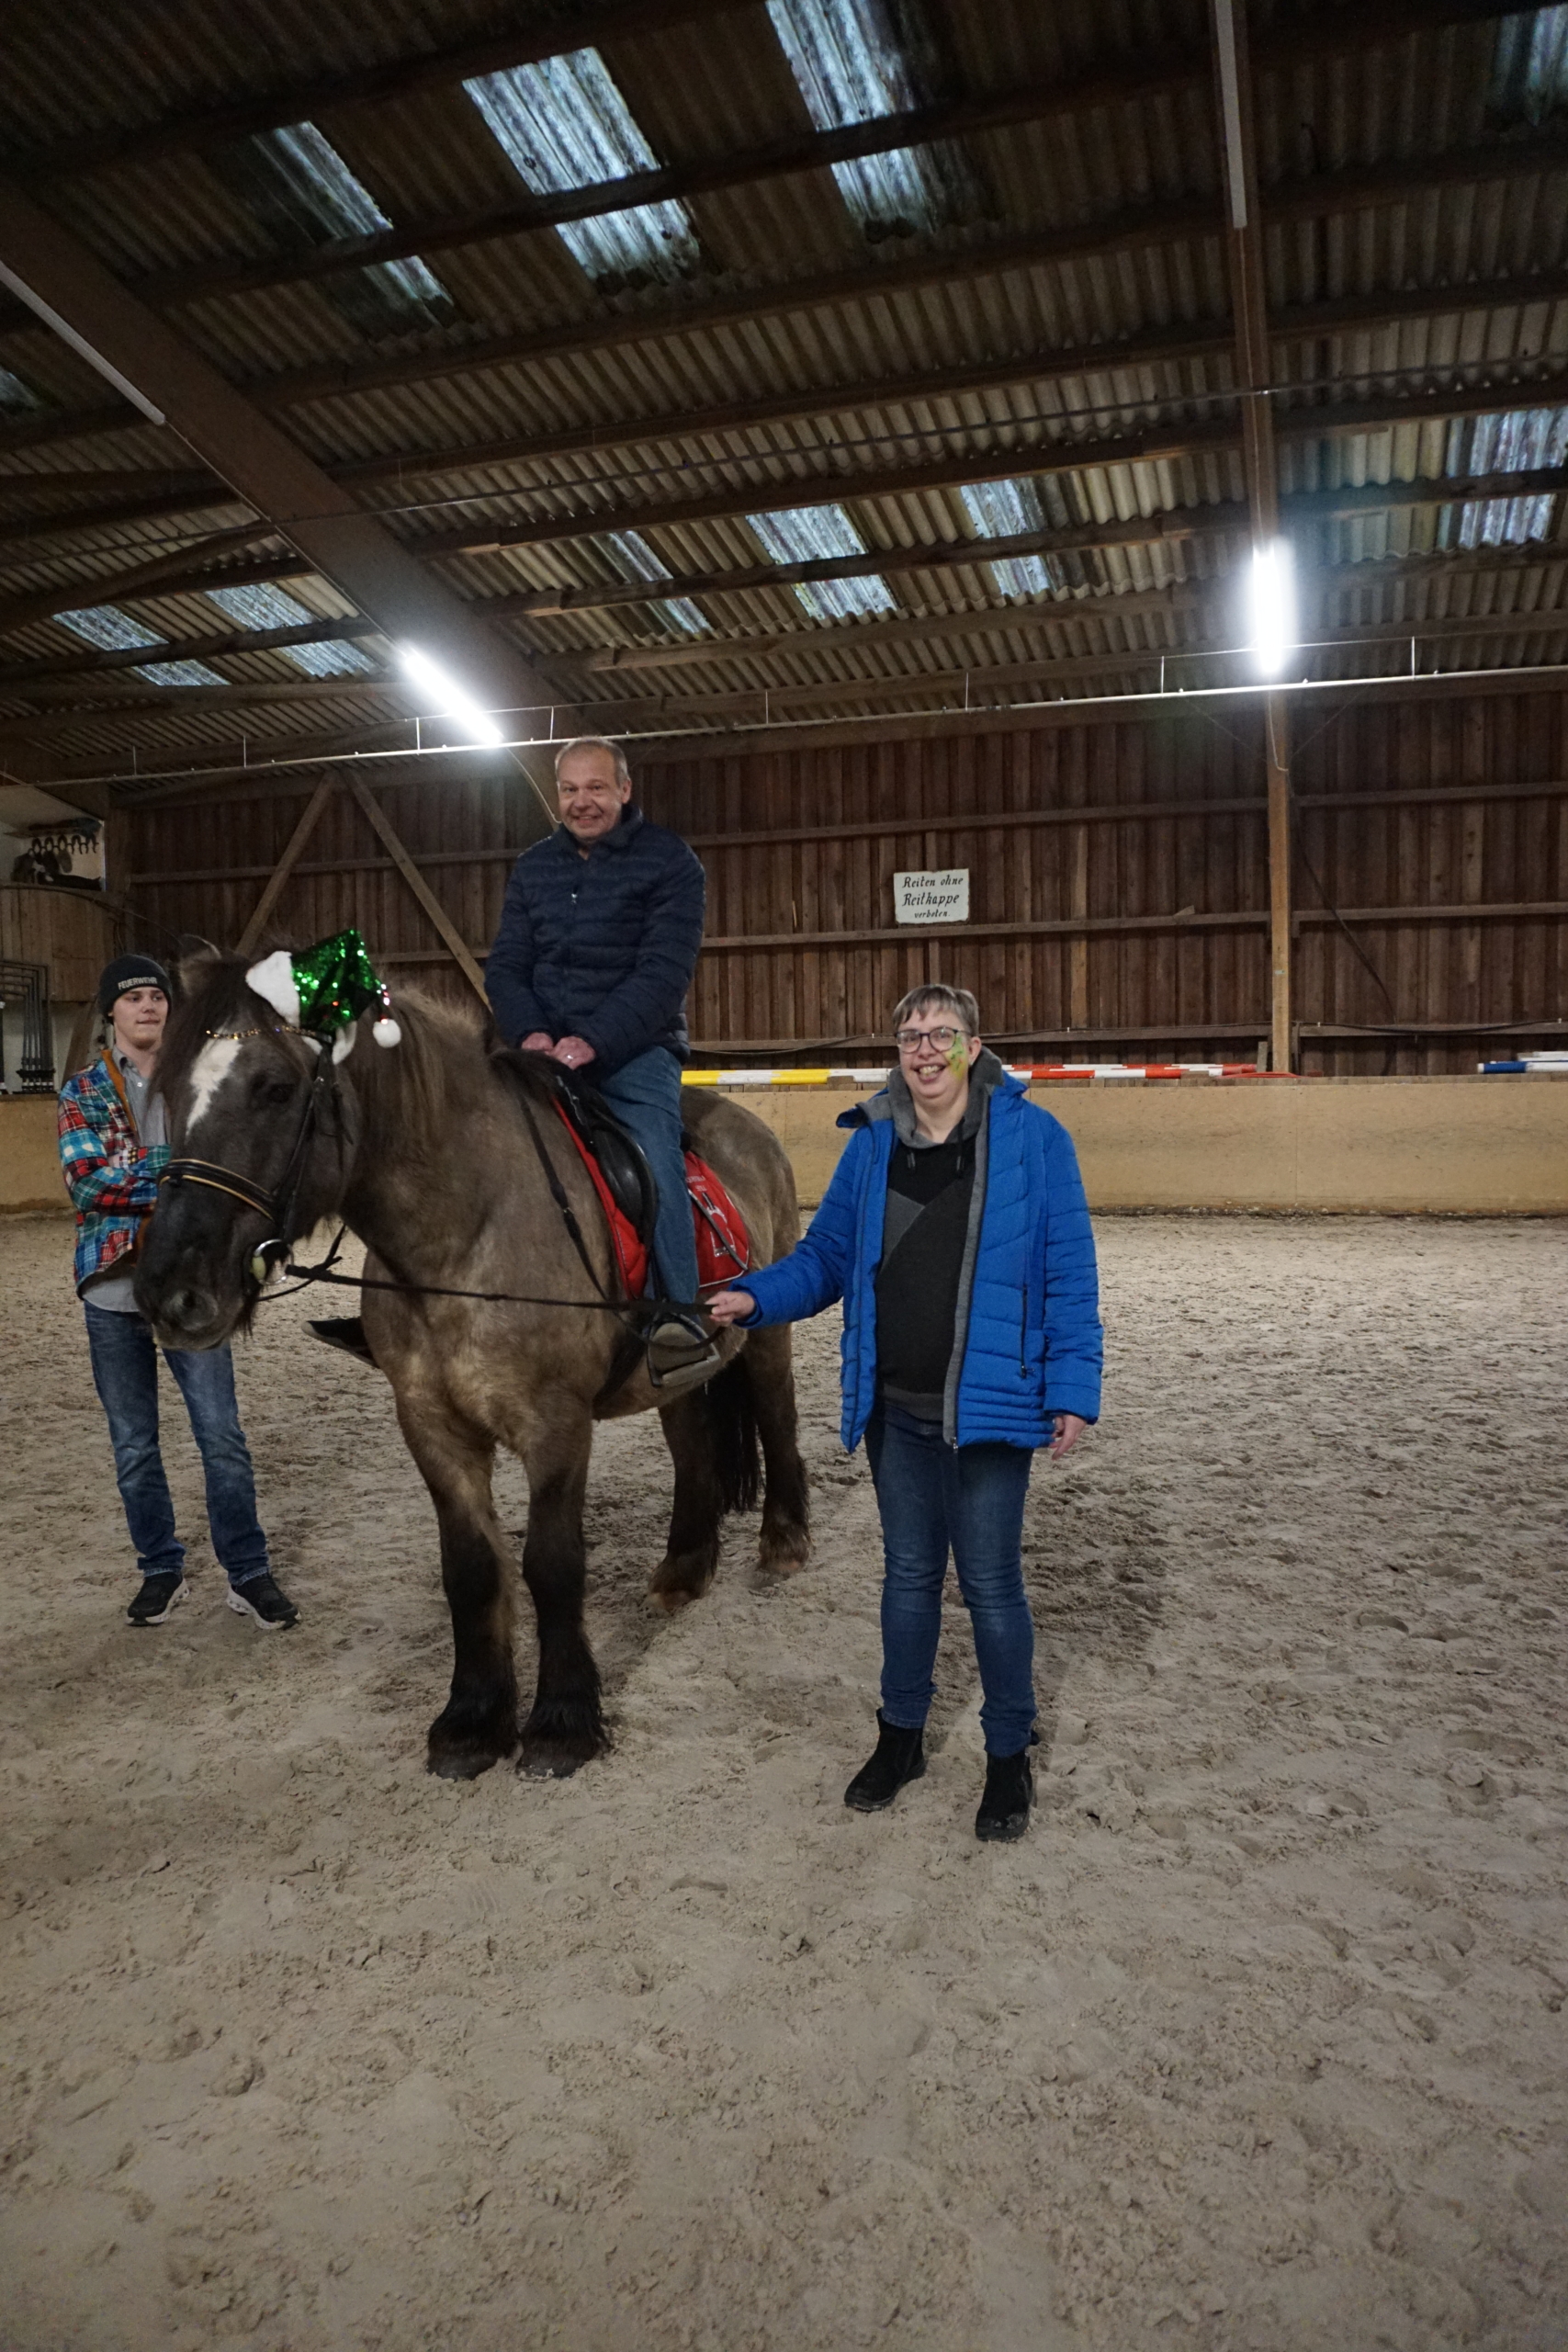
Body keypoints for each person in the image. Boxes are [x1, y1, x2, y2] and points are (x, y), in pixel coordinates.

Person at [708, 985, 1102, 1842]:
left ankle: (1007, 1755)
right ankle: (900, 1738)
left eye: (941, 1034)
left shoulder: (1035, 1139)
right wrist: (752, 1296)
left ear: (973, 1046)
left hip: (991, 1409)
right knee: (908, 1578)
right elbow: (824, 1258)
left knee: (991, 1586)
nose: (924, 1050)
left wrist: (1073, 1389)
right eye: (910, 1036)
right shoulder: (871, 1143)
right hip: (896, 1407)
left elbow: (1069, 1272)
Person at [57, 955, 298, 1631]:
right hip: (114, 1286)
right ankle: (160, 1569)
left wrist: (151, 1173)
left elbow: (235, 1164)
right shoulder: (83, 1091)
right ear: (110, 1011)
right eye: (132, 997)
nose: (147, 1006)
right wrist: (181, 1171)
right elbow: (88, 1183)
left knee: (221, 1436)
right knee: (134, 1446)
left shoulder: (201, 1075)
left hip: (195, 1279)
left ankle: (247, 1571)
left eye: (157, 996)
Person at [486, 734, 716, 1382]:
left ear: (624, 789)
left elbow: (662, 973)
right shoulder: (534, 867)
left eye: (595, 788)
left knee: (652, 1157)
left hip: (632, 1053)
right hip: (539, 1051)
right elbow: (507, 965)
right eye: (569, 790)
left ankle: (678, 1314)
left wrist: (590, 1041)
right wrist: (530, 1033)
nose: (581, 802)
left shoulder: (670, 863)